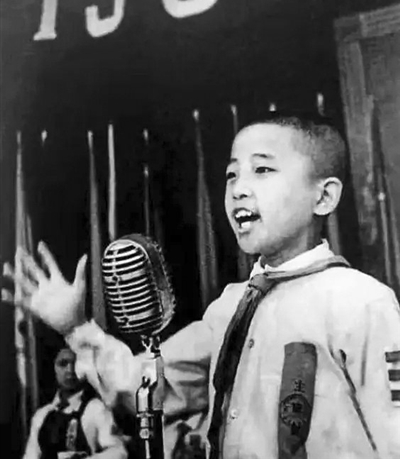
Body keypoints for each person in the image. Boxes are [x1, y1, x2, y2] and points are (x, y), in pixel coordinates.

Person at [9, 111, 400, 459]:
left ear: (324, 196)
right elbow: (147, 388)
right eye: (232, 174)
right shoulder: (229, 309)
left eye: (263, 170)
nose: (239, 188)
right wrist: (77, 329)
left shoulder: (361, 303)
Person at [23, 346, 127, 459]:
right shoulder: (42, 415)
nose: (70, 370)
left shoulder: (95, 409)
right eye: (63, 364)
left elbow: (119, 452)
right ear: (54, 368)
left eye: (76, 364)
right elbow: (31, 455)